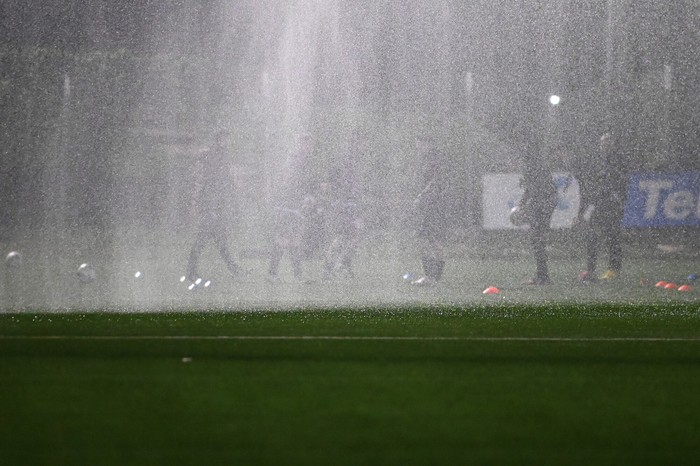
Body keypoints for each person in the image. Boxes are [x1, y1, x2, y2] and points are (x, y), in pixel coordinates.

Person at [185, 130, 246, 283]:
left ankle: (234, 269)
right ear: (219, 140)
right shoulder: (210, 156)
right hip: (209, 206)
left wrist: (231, 196)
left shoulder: (222, 156)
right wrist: (202, 205)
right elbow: (203, 182)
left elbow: (226, 180)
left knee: (221, 240)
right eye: (225, 139)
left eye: (228, 139)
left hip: (217, 206)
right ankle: (191, 272)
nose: (227, 142)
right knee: (202, 239)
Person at [578, 130, 628, 282]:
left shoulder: (619, 160)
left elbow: (622, 181)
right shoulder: (598, 160)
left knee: (612, 237)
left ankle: (613, 269)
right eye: (603, 141)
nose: (604, 144)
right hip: (600, 203)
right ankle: (590, 269)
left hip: (612, 204)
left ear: (613, 144)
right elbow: (593, 183)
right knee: (592, 236)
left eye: (608, 141)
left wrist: (618, 197)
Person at [267, 134, 317, 282]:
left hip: (295, 205)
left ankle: (297, 275)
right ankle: (272, 274)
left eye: (311, 145)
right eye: (308, 144)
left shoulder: (304, 160)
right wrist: (298, 199)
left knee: (295, 239)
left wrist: (307, 197)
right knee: (284, 239)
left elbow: (304, 182)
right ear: (301, 145)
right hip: (288, 205)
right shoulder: (295, 160)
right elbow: (289, 181)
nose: (310, 147)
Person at [321, 141, 364, 281]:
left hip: (351, 206)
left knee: (351, 236)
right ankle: (333, 266)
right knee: (345, 236)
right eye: (360, 143)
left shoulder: (355, 165)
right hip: (343, 207)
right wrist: (334, 201)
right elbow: (327, 185)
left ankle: (339, 265)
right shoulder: (341, 165)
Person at [411, 134, 450, 286]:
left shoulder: (434, 160)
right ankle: (434, 278)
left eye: (420, 144)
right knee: (432, 240)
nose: (418, 148)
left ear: (428, 144)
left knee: (429, 240)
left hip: (433, 206)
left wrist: (421, 197)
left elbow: (435, 183)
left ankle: (431, 277)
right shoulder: (432, 160)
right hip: (434, 206)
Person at [517, 162, 557, 285]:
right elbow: (531, 189)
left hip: (543, 205)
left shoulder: (533, 166)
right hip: (543, 204)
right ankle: (542, 275)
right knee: (537, 240)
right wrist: (523, 203)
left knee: (537, 240)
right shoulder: (534, 166)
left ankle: (543, 276)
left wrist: (528, 204)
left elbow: (534, 189)